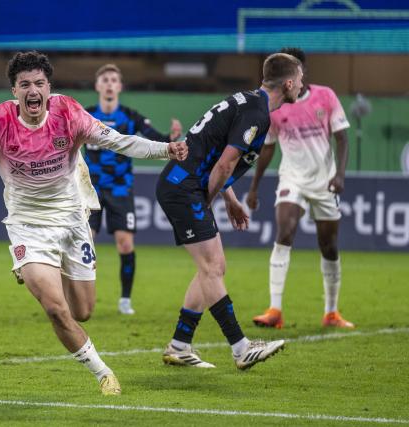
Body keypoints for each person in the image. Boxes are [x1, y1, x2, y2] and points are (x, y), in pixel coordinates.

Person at [0, 51, 188, 395]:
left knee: (83, 310)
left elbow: (119, 141)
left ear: (49, 87)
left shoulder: (69, 113)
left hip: (72, 219)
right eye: (24, 85)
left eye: (39, 83)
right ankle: (104, 373)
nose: (33, 90)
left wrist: (165, 149)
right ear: (14, 91)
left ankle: (40, 267)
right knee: (55, 309)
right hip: (28, 225)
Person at [155, 52, 303, 370]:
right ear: (289, 82)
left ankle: (180, 345)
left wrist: (229, 197)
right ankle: (240, 348)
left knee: (214, 266)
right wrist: (207, 200)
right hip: (183, 186)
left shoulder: (249, 102)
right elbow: (224, 164)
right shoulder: (258, 112)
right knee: (212, 267)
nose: (301, 85)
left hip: (185, 183)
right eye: (300, 79)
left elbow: (217, 155)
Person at [248, 48, 354, 329]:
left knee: (329, 246)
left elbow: (342, 138)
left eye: (299, 70)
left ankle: (331, 312)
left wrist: (340, 175)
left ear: (302, 72)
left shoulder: (326, 97)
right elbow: (268, 149)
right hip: (292, 179)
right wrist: (255, 187)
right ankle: (274, 309)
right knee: (284, 232)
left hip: (324, 182)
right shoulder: (276, 106)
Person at [84, 63, 183, 315]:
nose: (109, 83)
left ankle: (125, 299)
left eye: (113, 80)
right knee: (85, 244)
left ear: (119, 87)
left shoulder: (130, 116)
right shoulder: (85, 116)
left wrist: (170, 138)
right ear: (97, 86)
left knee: (125, 244)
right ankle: (82, 297)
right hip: (89, 191)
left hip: (120, 189)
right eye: (104, 79)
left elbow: (155, 138)